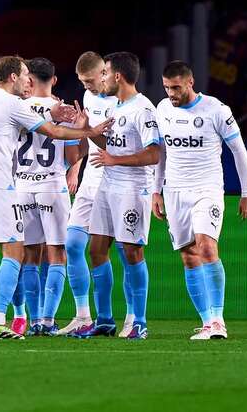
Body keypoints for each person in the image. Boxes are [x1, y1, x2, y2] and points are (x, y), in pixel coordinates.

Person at [0, 55, 111, 339]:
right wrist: (87, 131)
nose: (27, 80)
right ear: (13, 77)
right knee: (26, 253)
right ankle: (8, 319)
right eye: (23, 74)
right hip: (17, 185)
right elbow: (55, 133)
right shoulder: (16, 104)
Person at [152, 61, 247, 340]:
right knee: (188, 256)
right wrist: (155, 191)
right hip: (174, 191)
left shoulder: (216, 110)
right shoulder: (162, 109)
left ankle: (219, 320)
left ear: (190, 83)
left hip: (206, 189)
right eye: (166, 88)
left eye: (175, 87)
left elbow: (239, 150)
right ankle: (207, 322)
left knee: (207, 247)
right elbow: (160, 152)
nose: (171, 93)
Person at [69, 52, 160, 340]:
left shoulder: (143, 109)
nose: (103, 78)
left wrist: (115, 161)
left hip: (132, 189)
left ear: (118, 76)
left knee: (132, 253)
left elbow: (154, 153)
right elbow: (110, 144)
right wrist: (86, 129)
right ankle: (105, 320)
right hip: (107, 186)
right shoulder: (117, 108)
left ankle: (140, 321)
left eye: (105, 73)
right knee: (96, 251)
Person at [55, 51, 124, 336]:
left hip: (115, 181)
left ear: (105, 73)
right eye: (82, 82)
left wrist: (87, 130)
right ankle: (83, 315)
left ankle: (114, 317)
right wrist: (75, 167)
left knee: (113, 251)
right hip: (90, 179)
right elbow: (89, 141)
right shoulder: (88, 99)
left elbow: (117, 147)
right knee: (72, 244)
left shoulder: (124, 103)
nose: (86, 87)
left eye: (90, 81)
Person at [14, 57, 82, 336]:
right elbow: (73, 156)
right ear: (54, 80)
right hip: (52, 186)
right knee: (57, 255)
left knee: (30, 256)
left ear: (28, 79)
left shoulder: (16, 107)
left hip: (21, 187)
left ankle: (32, 322)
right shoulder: (62, 110)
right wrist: (79, 131)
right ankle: (47, 320)